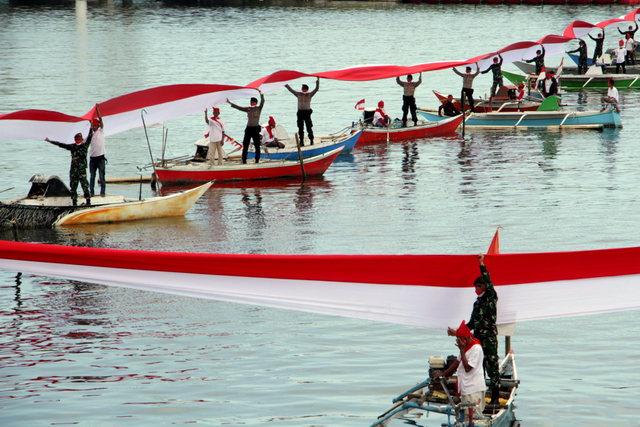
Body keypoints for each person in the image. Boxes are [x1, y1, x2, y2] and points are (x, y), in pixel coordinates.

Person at [447, 253, 500, 405]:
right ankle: (480, 396)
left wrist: (481, 264)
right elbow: (471, 323)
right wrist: (456, 332)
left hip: (489, 339)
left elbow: (488, 281)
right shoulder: (477, 303)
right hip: (477, 340)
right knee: (479, 368)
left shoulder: (491, 297)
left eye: (480, 286)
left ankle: (495, 397)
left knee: (492, 366)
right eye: (475, 287)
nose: (477, 289)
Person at [435, 321, 486, 422]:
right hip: (466, 388)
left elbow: (467, 368)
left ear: (465, 339)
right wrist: (443, 374)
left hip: (474, 389)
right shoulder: (467, 346)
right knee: (466, 417)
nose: (457, 342)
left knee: (475, 419)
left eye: (459, 339)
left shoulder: (476, 349)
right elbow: (457, 362)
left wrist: (462, 350)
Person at [45, 130, 92, 206]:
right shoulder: (72, 146)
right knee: (73, 186)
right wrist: (50, 141)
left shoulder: (84, 146)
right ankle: (74, 202)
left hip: (82, 170)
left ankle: (88, 201)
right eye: (76, 138)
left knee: (85, 185)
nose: (77, 140)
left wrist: (91, 127)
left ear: (82, 139)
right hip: (74, 170)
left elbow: (90, 137)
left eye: (79, 138)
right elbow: (61, 145)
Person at [227, 91, 264, 164]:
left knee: (257, 145)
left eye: (253, 102)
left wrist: (260, 93)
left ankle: (257, 160)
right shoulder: (248, 109)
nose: (252, 103)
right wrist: (230, 103)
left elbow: (263, 101)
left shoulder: (258, 109)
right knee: (245, 145)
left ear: (256, 103)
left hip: (255, 129)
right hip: (248, 129)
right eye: (251, 102)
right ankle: (244, 160)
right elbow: (239, 108)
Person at [285, 77, 319, 146]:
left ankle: (311, 140)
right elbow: (290, 90)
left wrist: (317, 81)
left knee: (308, 127)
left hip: (307, 113)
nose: (304, 90)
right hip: (300, 113)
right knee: (300, 127)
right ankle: (301, 141)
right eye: (303, 89)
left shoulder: (309, 95)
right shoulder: (298, 94)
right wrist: (285, 83)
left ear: (307, 90)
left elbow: (316, 89)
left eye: (305, 89)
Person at [88, 103, 106, 197]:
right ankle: (91, 192)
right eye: (93, 126)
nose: (94, 127)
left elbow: (101, 119)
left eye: (95, 126)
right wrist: (90, 123)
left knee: (102, 176)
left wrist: (97, 109)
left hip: (101, 158)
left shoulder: (101, 131)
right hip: (92, 158)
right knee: (92, 176)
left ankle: (102, 192)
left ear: (98, 126)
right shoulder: (90, 134)